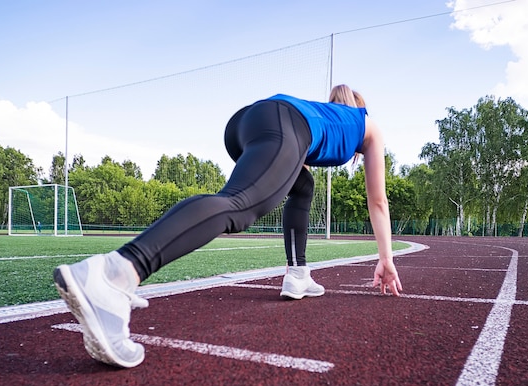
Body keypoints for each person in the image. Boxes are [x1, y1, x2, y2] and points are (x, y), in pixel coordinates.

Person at [53, 84, 402, 368]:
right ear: (362, 106)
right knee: (241, 205)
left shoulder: (326, 114)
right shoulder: (368, 125)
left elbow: (298, 158)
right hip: (284, 123)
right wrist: (386, 258)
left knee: (302, 186)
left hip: (247, 122)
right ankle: (115, 273)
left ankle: (298, 274)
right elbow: (378, 202)